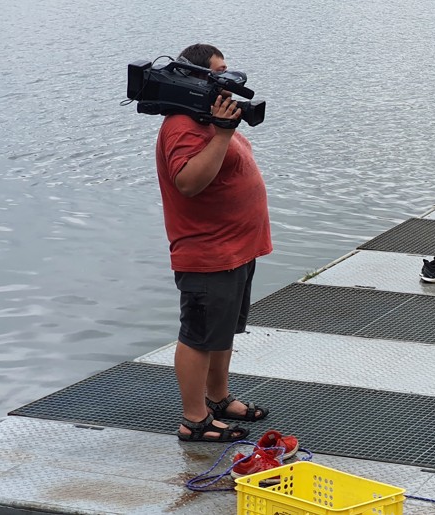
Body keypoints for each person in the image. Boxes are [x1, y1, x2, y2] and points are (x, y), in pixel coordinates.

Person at [155, 43, 272, 442]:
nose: (228, 79)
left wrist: (223, 128)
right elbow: (188, 183)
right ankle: (194, 420)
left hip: (237, 248)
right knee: (199, 336)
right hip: (208, 252)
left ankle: (217, 399)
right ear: (195, 76)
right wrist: (223, 134)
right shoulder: (181, 124)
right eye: (219, 72)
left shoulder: (208, 116)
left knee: (221, 332)